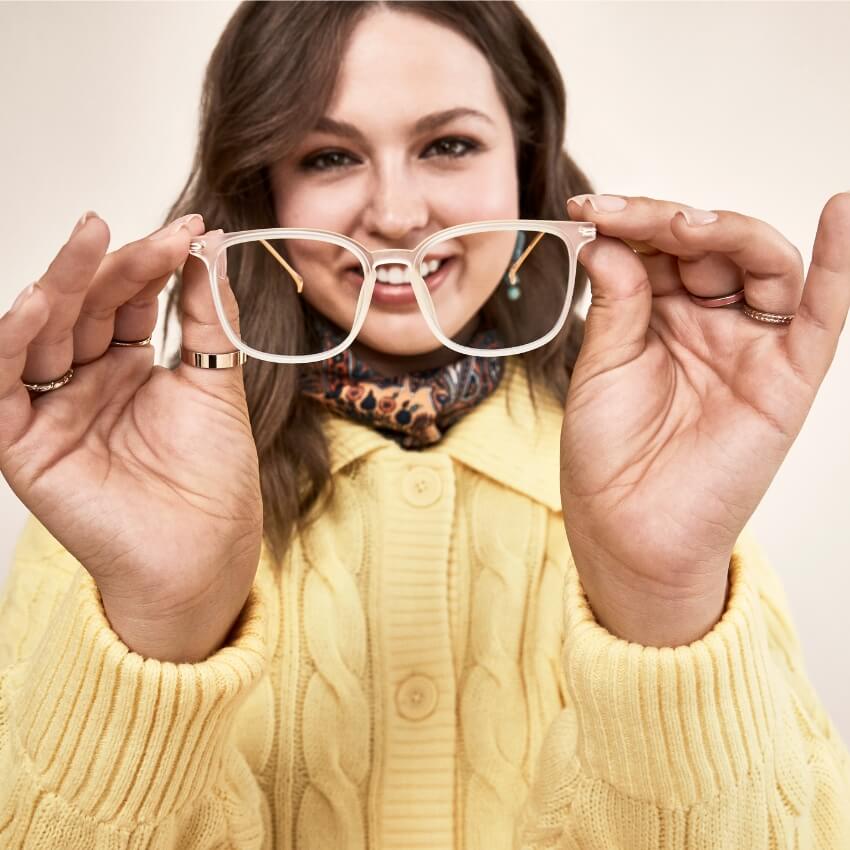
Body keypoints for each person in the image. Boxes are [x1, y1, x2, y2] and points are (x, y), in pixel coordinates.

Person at [0, 1, 848, 847]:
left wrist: (660, 608)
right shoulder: (121, 500)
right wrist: (161, 630)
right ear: (265, 191)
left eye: (448, 145)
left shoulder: (666, 478)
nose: (400, 216)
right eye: (330, 156)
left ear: (525, 165)